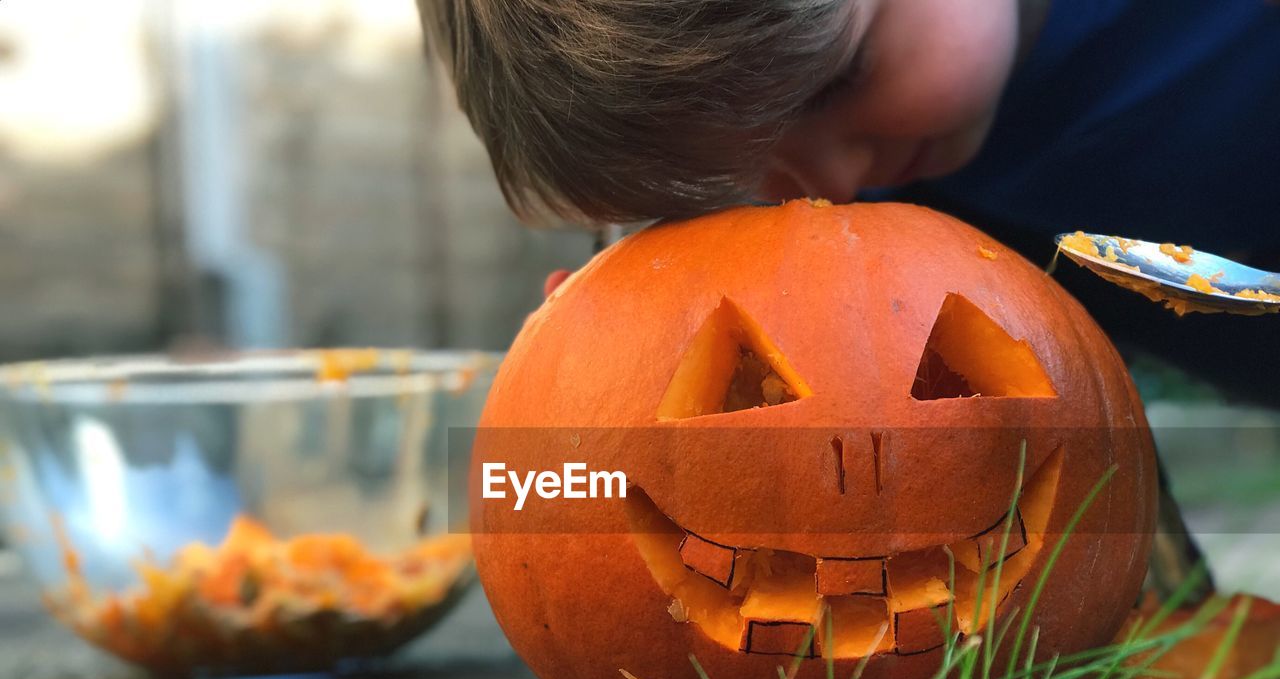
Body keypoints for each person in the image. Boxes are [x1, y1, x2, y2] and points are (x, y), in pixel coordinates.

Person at [418, 0, 1279, 402]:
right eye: (743, 176)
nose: (827, 184)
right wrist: (623, 366)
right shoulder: (903, 190)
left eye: (837, 82)